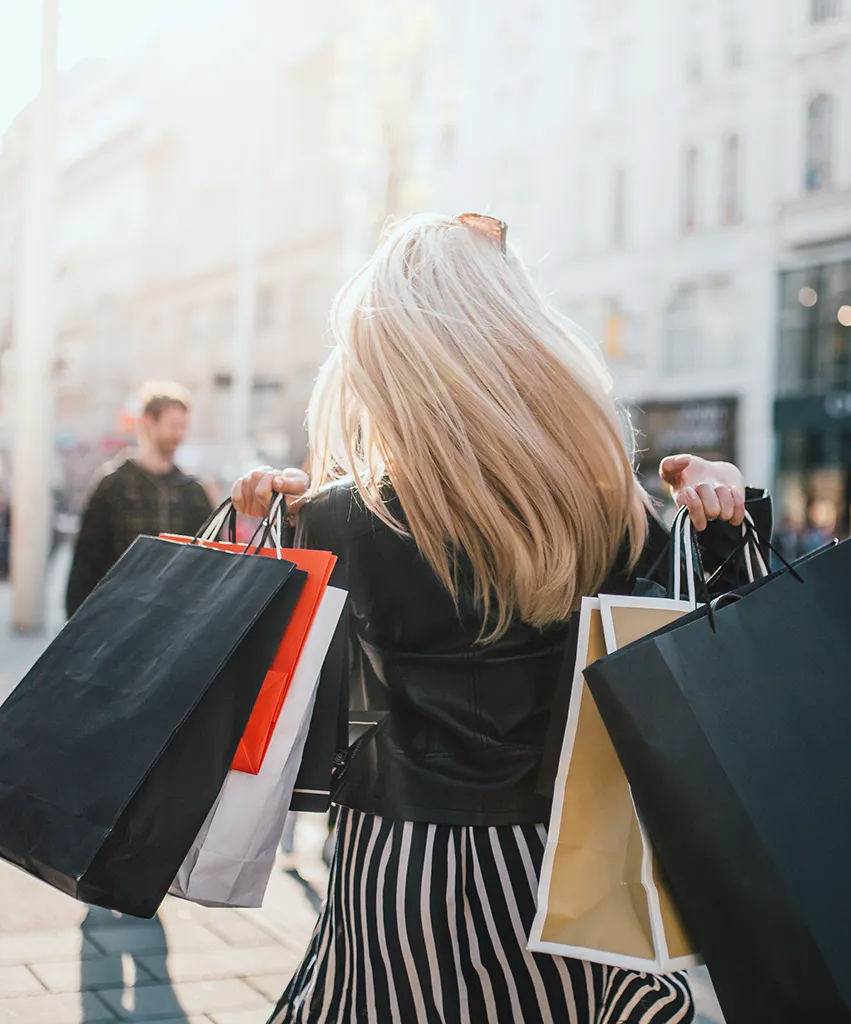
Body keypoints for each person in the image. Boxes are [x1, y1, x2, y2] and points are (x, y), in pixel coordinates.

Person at [232, 213, 772, 1024]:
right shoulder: (607, 511)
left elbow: (266, 688)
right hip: (566, 866)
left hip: (398, 863)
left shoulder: (338, 518)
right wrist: (725, 518)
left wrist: (257, 534)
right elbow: (723, 650)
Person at [66, 382, 213, 616]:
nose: (179, 434)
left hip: (177, 619)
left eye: (183, 426)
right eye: (173, 425)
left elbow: (210, 563)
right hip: (118, 616)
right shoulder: (113, 485)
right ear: (148, 422)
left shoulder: (193, 490)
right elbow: (86, 563)